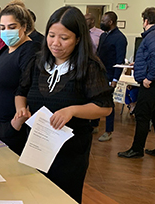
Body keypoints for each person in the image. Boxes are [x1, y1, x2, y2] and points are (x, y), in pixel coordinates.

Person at [13, 6, 113, 202]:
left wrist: (73, 110)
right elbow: (20, 92)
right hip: (35, 146)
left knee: (61, 197)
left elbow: (105, 106)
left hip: (69, 154)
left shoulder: (89, 67)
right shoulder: (38, 62)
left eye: (64, 38)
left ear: (78, 39)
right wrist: (21, 108)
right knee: (33, 195)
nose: (55, 43)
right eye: (51, 35)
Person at [0, 0, 40, 155]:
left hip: (16, 123)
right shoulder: (5, 50)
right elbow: (4, 79)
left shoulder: (30, 50)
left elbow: (27, 87)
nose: (6, 31)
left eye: (12, 27)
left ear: (24, 27)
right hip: (0, 121)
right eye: (3, 28)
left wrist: (16, 124)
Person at [118, 7, 155, 158]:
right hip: (151, 82)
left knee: (142, 115)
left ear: (146, 21)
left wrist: (149, 78)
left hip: (150, 84)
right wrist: (138, 64)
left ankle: (137, 149)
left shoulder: (151, 36)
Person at [94, 11, 128, 141]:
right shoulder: (104, 35)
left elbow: (120, 61)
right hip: (100, 74)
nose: (101, 22)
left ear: (110, 22)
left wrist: (115, 79)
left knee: (108, 103)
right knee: (96, 99)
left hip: (110, 75)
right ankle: (94, 124)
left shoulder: (120, 38)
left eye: (103, 21)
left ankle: (108, 131)